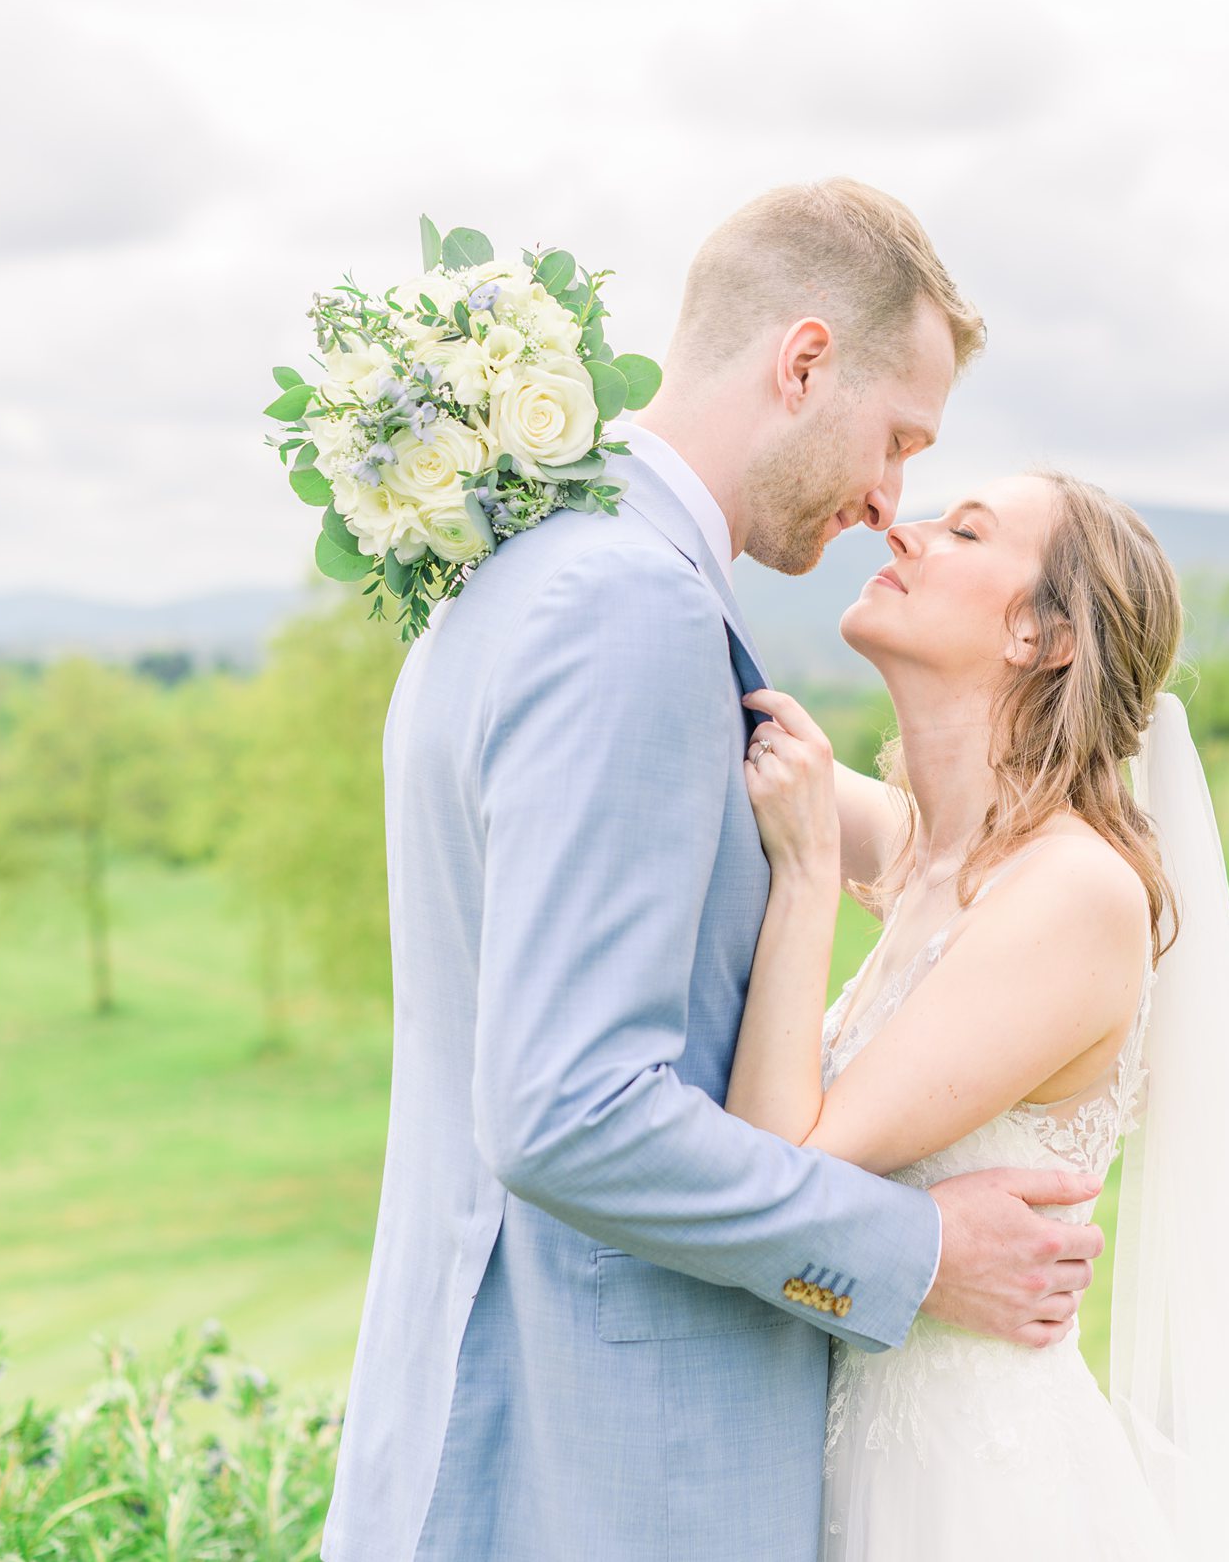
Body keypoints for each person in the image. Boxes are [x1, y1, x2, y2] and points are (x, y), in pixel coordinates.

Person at [321, 180, 1111, 1562]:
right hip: (623, 1473)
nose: (892, 502)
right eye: (899, 438)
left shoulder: (532, 575)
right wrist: (917, 1253)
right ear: (803, 363)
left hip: (536, 1442)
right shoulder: (631, 607)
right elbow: (566, 1110)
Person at [732, 471, 1229, 1559]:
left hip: (974, 1500)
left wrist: (802, 877)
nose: (906, 526)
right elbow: (732, 737)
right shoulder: (932, 854)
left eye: (967, 528)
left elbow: (776, 1165)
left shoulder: (1073, 896)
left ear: (1042, 635)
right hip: (857, 1468)